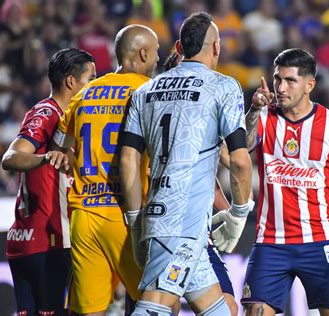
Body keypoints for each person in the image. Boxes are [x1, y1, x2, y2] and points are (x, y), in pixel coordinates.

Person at [119, 12, 252, 316]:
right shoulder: (223, 87)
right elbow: (241, 162)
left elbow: (128, 158)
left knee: (222, 310)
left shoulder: (145, 91)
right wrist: (238, 214)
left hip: (160, 217)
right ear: (216, 48)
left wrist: (136, 220)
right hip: (183, 224)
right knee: (156, 306)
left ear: (178, 46)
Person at [242, 48, 329, 316]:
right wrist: (253, 109)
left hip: (320, 242)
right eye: (277, 79)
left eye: (290, 80)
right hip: (270, 242)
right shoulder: (263, 116)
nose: (281, 88)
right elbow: (243, 147)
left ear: (309, 84)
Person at [52, 25, 159, 315]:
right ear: (144, 53)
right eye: (157, 52)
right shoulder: (148, 91)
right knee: (157, 303)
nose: (158, 58)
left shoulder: (86, 93)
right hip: (128, 216)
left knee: (89, 311)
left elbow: (60, 143)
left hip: (85, 215)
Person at [1, 48, 96, 315]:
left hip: (31, 240)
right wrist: (46, 158)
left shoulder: (72, 118)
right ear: (71, 82)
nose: (93, 87)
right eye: (90, 79)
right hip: (48, 240)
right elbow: (11, 157)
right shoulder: (47, 112)